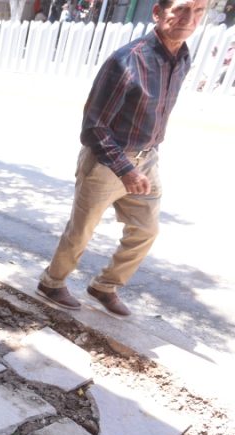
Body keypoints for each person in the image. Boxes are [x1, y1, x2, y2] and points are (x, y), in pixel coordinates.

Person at [37, 0, 207, 317]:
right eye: (181, 9)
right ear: (158, 13)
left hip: (147, 159)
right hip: (106, 162)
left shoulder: (181, 56)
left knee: (146, 231)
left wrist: (141, 163)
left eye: (198, 11)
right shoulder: (127, 60)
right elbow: (93, 127)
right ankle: (52, 282)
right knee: (81, 231)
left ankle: (105, 285)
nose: (189, 18)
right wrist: (126, 170)